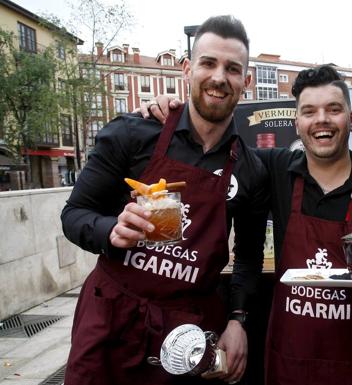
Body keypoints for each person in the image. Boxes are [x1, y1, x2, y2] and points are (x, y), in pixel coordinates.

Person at [142, 65, 352, 385]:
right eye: (309, 111)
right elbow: (209, 147)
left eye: (334, 109)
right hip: (291, 362)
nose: (322, 120)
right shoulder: (274, 168)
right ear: (297, 124)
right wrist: (168, 114)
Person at [60, 15, 269, 385]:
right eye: (208, 63)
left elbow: (249, 258)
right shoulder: (132, 133)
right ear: (188, 69)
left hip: (187, 331)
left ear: (246, 81)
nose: (219, 77)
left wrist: (238, 320)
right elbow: (74, 214)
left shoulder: (251, 169)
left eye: (233, 68)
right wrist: (111, 230)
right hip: (110, 318)